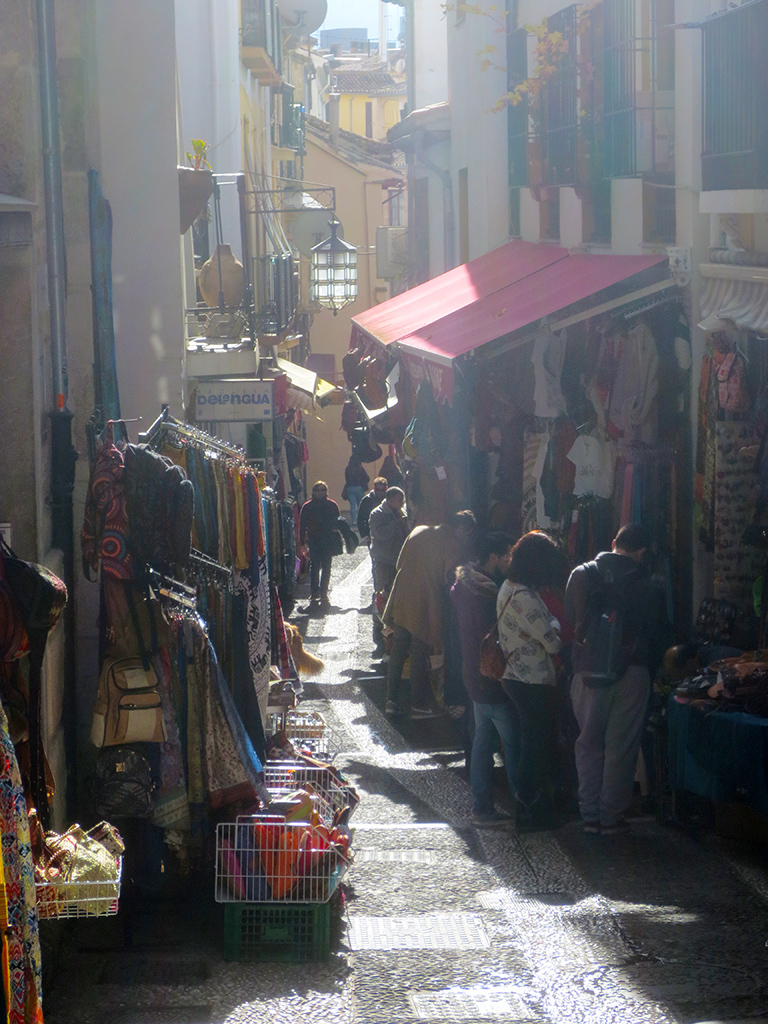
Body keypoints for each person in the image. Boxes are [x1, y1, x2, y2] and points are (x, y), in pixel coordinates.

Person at [565, 523, 669, 835]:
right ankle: (611, 816)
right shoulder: (650, 585)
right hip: (631, 671)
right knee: (620, 747)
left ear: (613, 542)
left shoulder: (580, 575)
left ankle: (589, 814)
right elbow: (660, 635)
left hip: (586, 673)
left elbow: (572, 623)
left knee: (588, 744)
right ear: (641, 553)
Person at [450, 532, 518, 827]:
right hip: (491, 674)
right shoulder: (487, 593)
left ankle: (483, 807)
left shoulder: (463, 586)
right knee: (513, 742)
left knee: (482, 740)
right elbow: (494, 635)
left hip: (473, 673)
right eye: (506, 557)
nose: (509, 562)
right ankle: (522, 805)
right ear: (493, 558)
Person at [497, 531, 563, 826]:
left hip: (513, 676)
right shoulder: (527, 599)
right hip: (532, 680)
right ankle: (528, 808)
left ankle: (529, 806)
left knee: (530, 742)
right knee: (533, 745)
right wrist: (555, 624)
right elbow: (554, 643)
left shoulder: (507, 588)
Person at [383, 510, 476, 719]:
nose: (467, 537)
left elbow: (399, 563)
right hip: (425, 601)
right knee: (418, 651)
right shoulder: (453, 545)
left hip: (402, 597)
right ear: (461, 528)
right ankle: (418, 705)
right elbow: (451, 581)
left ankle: (390, 700)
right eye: (468, 532)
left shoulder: (418, 531)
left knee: (398, 649)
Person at [368, 486, 409, 658]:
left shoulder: (401, 512)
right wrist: (395, 524)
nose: (402, 503)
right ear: (390, 500)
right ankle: (379, 637)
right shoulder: (377, 514)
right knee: (381, 597)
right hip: (384, 561)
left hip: (399, 561)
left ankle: (395, 636)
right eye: (399, 500)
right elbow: (379, 534)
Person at [299, 481, 341, 613]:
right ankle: (315, 594)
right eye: (317, 490)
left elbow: (338, 522)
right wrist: (302, 543)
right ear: (313, 492)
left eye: (322, 490)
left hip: (327, 540)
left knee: (327, 567)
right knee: (314, 567)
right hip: (314, 540)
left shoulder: (332, 505)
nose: (320, 492)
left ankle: (324, 593)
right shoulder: (307, 506)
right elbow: (302, 525)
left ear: (326, 491)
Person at [356, 476, 388, 545]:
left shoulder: (389, 499)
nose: (380, 492)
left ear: (386, 489)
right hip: (371, 535)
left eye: (382, 490)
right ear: (374, 488)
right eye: (377, 490)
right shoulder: (367, 500)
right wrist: (365, 535)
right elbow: (360, 518)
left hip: (387, 534)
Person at [343, 455, 370, 525]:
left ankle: (354, 520)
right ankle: (360, 519)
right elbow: (367, 478)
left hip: (350, 488)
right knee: (360, 505)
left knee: (352, 505)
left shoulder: (348, 469)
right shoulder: (360, 468)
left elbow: (346, 478)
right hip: (359, 488)